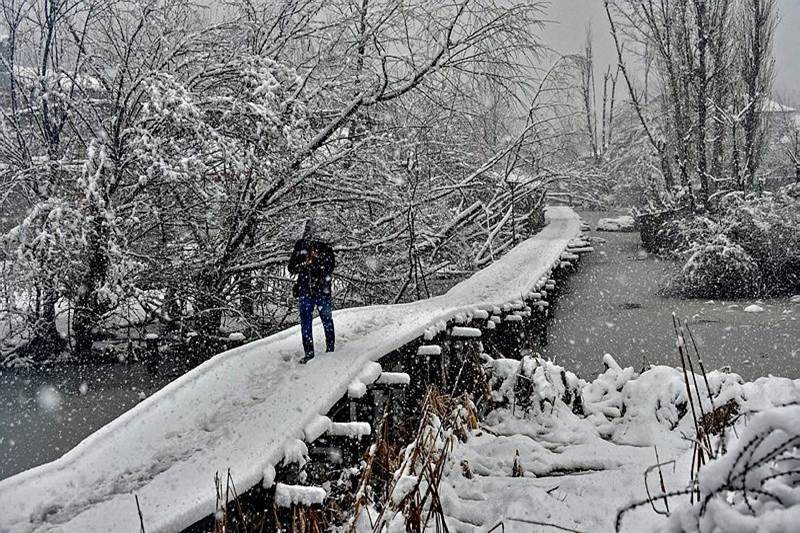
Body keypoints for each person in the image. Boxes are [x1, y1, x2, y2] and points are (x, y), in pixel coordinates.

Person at [288, 219, 336, 363]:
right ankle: (309, 353)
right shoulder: (300, 246)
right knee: (306, 323)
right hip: (305, 290)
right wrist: (304, 263)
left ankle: (331, 349)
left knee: (326, 320)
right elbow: (291, 267)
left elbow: (330, 267)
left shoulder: (326, 248)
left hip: (322, 290)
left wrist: (317, 263)